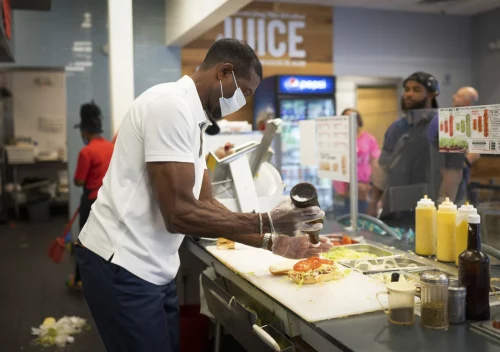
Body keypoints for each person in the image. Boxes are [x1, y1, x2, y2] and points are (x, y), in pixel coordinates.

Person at [75, 39, 329, 352]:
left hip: (154, 269)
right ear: (224, 72)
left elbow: (206, 203)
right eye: (245, 92)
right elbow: (180, 214)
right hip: (122, 264)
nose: (243, 102)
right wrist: (268, 220)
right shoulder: (170, 106)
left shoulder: (194, 118)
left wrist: (276, 243)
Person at [369, 72, 464, 227]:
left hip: (430, 212)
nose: (409, 94)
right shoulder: (396, 127)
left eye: (416, 90)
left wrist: (442, 211)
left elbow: (453, 173)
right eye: (407, 89)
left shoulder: (449, 124)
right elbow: (383, 168)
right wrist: (373, 202)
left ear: (433, 94)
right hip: (396, 212)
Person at [68, 101, 114, 290]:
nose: (81, 135)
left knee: (85, 241)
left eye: (81, 131)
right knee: (106, 240)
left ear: (85, 131)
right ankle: (106, 278)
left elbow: (79, 181)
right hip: (108, 201)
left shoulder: (86, 152)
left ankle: (80, 279)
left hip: (90, 200)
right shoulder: (111, 147)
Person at [333, 108, 380, 215]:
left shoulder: (369, 139)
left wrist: (373, 184)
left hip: (364, 187)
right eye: (345, 119)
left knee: (363, 219)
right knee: (343, 218)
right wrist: (342, 189)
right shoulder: (339, 140)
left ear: (358, 120)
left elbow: (375, 162)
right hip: (344, 188)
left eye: (351, 118)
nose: (349, 122)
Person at [452, 86, 480, 202]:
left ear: (468, 102)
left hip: (458, 172)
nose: (453, 97)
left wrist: (460, 166)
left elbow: (475, 152)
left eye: (458, 96)